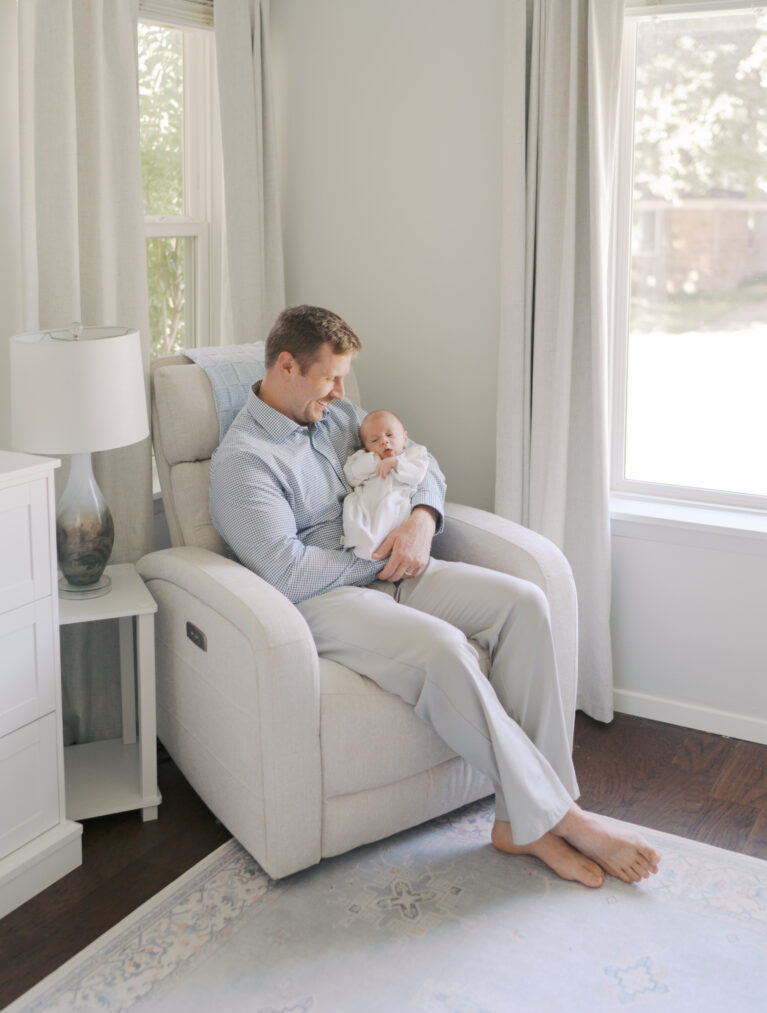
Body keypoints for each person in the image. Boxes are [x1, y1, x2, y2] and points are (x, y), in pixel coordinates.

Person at [210, 305, 660, 888]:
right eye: (331, 377)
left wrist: (422, 521)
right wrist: (374, 560)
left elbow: (425, 467)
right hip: (324, 600)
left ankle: (519, 822)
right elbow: (286, 571)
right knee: (444, 650)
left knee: (525, 604)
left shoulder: (341, 417)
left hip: (396, 569)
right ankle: (564, 818)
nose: (342, 391)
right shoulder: (243, 462)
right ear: (288, 366)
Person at [341, 409, 430, 560]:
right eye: (375, 440)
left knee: (392, 514)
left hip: (397, 502)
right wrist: (371, 461)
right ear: (366, 447)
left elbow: (417, 476)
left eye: (390, 435)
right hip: (367, 504)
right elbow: (351, 476)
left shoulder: (413, 455)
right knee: (351, 507)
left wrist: (395, 464)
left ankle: (386, 550)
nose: (384, 441)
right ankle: (362, 546)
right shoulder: (363, 458)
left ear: (405, 438)